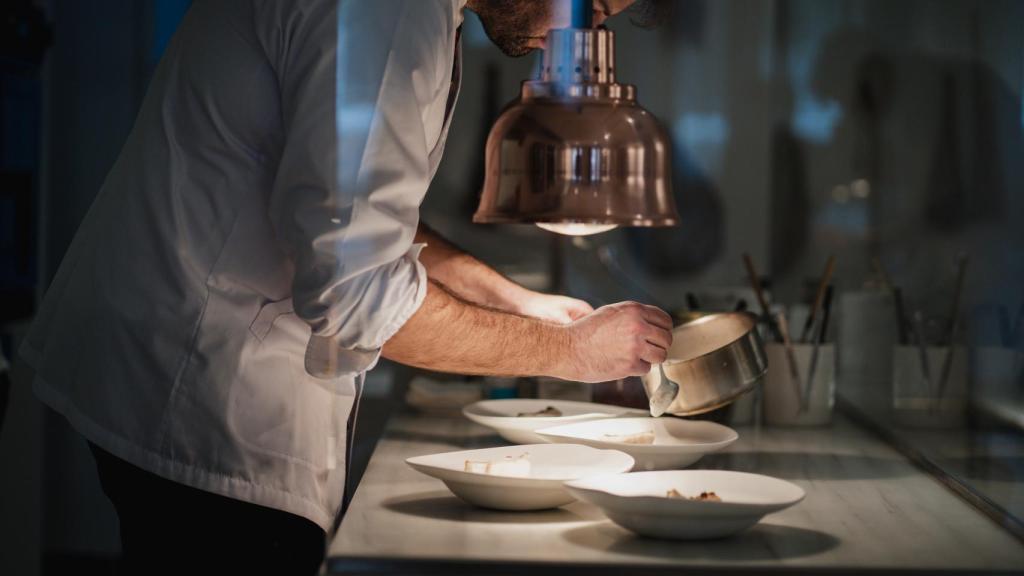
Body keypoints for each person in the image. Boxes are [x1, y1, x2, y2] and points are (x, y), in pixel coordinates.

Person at [20, 0, 670, 573]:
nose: (569, 36)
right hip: (202, 398)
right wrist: (571, 353)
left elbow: (357, 214)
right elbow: (356, 292)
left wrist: (519, 303)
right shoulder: (392, 13)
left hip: (167, 368)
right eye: (592, 12)